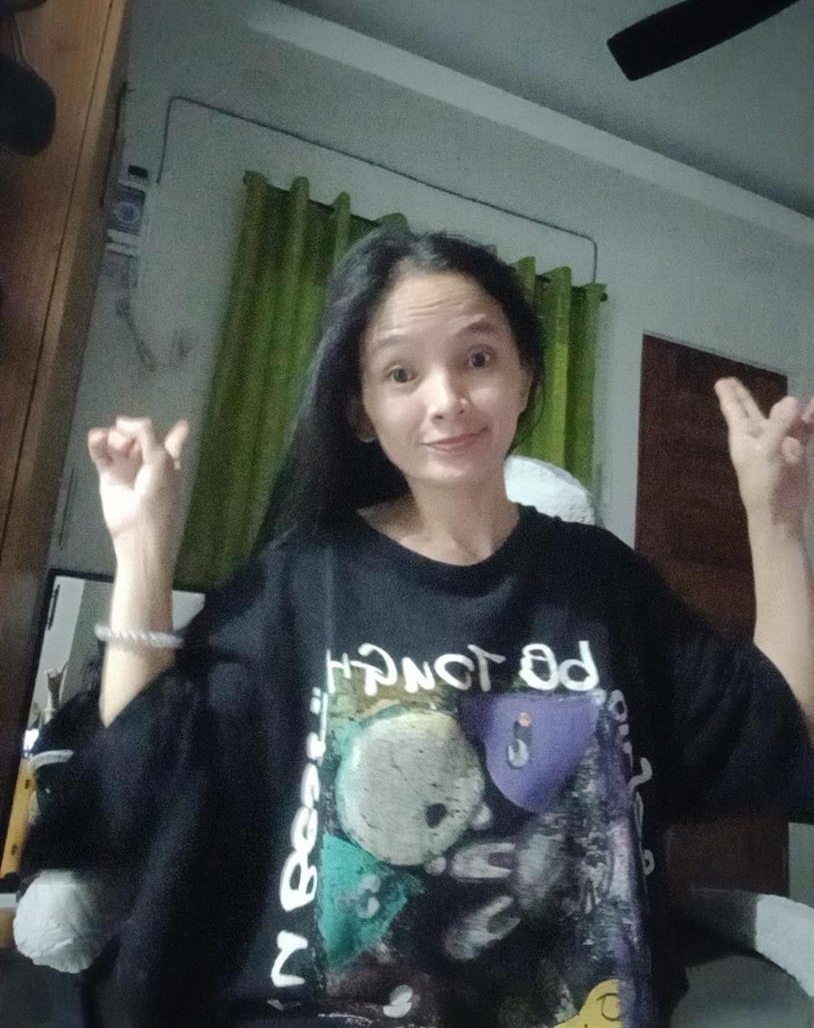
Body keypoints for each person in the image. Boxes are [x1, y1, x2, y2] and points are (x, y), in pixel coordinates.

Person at [18, 229, 814, 1028]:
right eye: (402, 373)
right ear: (360, 411)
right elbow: (146, 773)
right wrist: (142, 550)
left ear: (525, 376)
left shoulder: (603, 581)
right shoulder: (303, 580)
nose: (447, 399)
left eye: (478, 359)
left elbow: (776, 726)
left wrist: (776, 518)